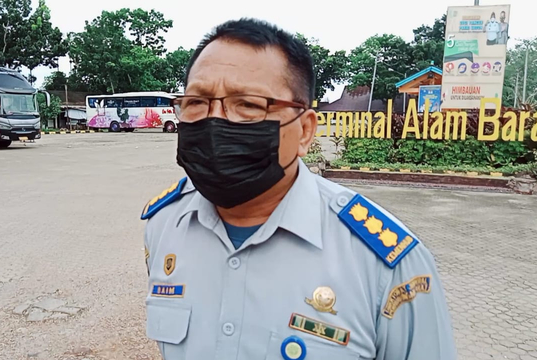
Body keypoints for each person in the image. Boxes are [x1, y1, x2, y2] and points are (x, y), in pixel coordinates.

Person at [141, 18, 457, 360]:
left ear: (305, 131)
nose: (214, 122)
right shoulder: (164, 225)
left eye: (248, 105)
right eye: (196, 103)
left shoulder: (387, 265)